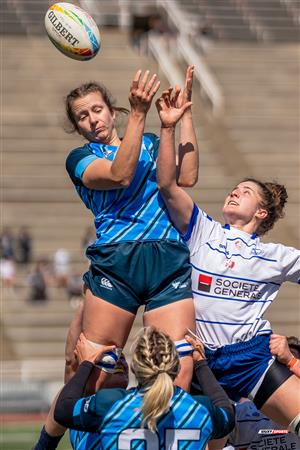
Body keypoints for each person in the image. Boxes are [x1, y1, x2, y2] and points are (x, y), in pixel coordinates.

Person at [33, 67, 199, 445]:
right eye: (82, 116)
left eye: (97, 110)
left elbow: (186, 177)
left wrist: (182, 116)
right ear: (77, 127)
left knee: (178, 367)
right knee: (96, 369)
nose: (92, 120)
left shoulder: (155, 142)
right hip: (117, 264)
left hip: (166, 259)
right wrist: (141, 114)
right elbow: (120, 173)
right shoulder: (80, 158)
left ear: (112, 111)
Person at [155, 88, 300, 436]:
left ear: (261, 212)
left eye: (245, 191)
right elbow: (166, 185)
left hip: (250, 359)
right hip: (197, 357)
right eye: (233, 189)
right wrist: (171, 125)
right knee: (178, 439)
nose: (234, 192)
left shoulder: (278, 256)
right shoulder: (202, 229)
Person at [35, 327, 235, 449]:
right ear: (176, 366)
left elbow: (62, 410)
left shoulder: (110, 404)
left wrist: (86, 363)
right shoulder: (199, 409)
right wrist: (200, 363)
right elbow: (226, 412)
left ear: (134, 367)